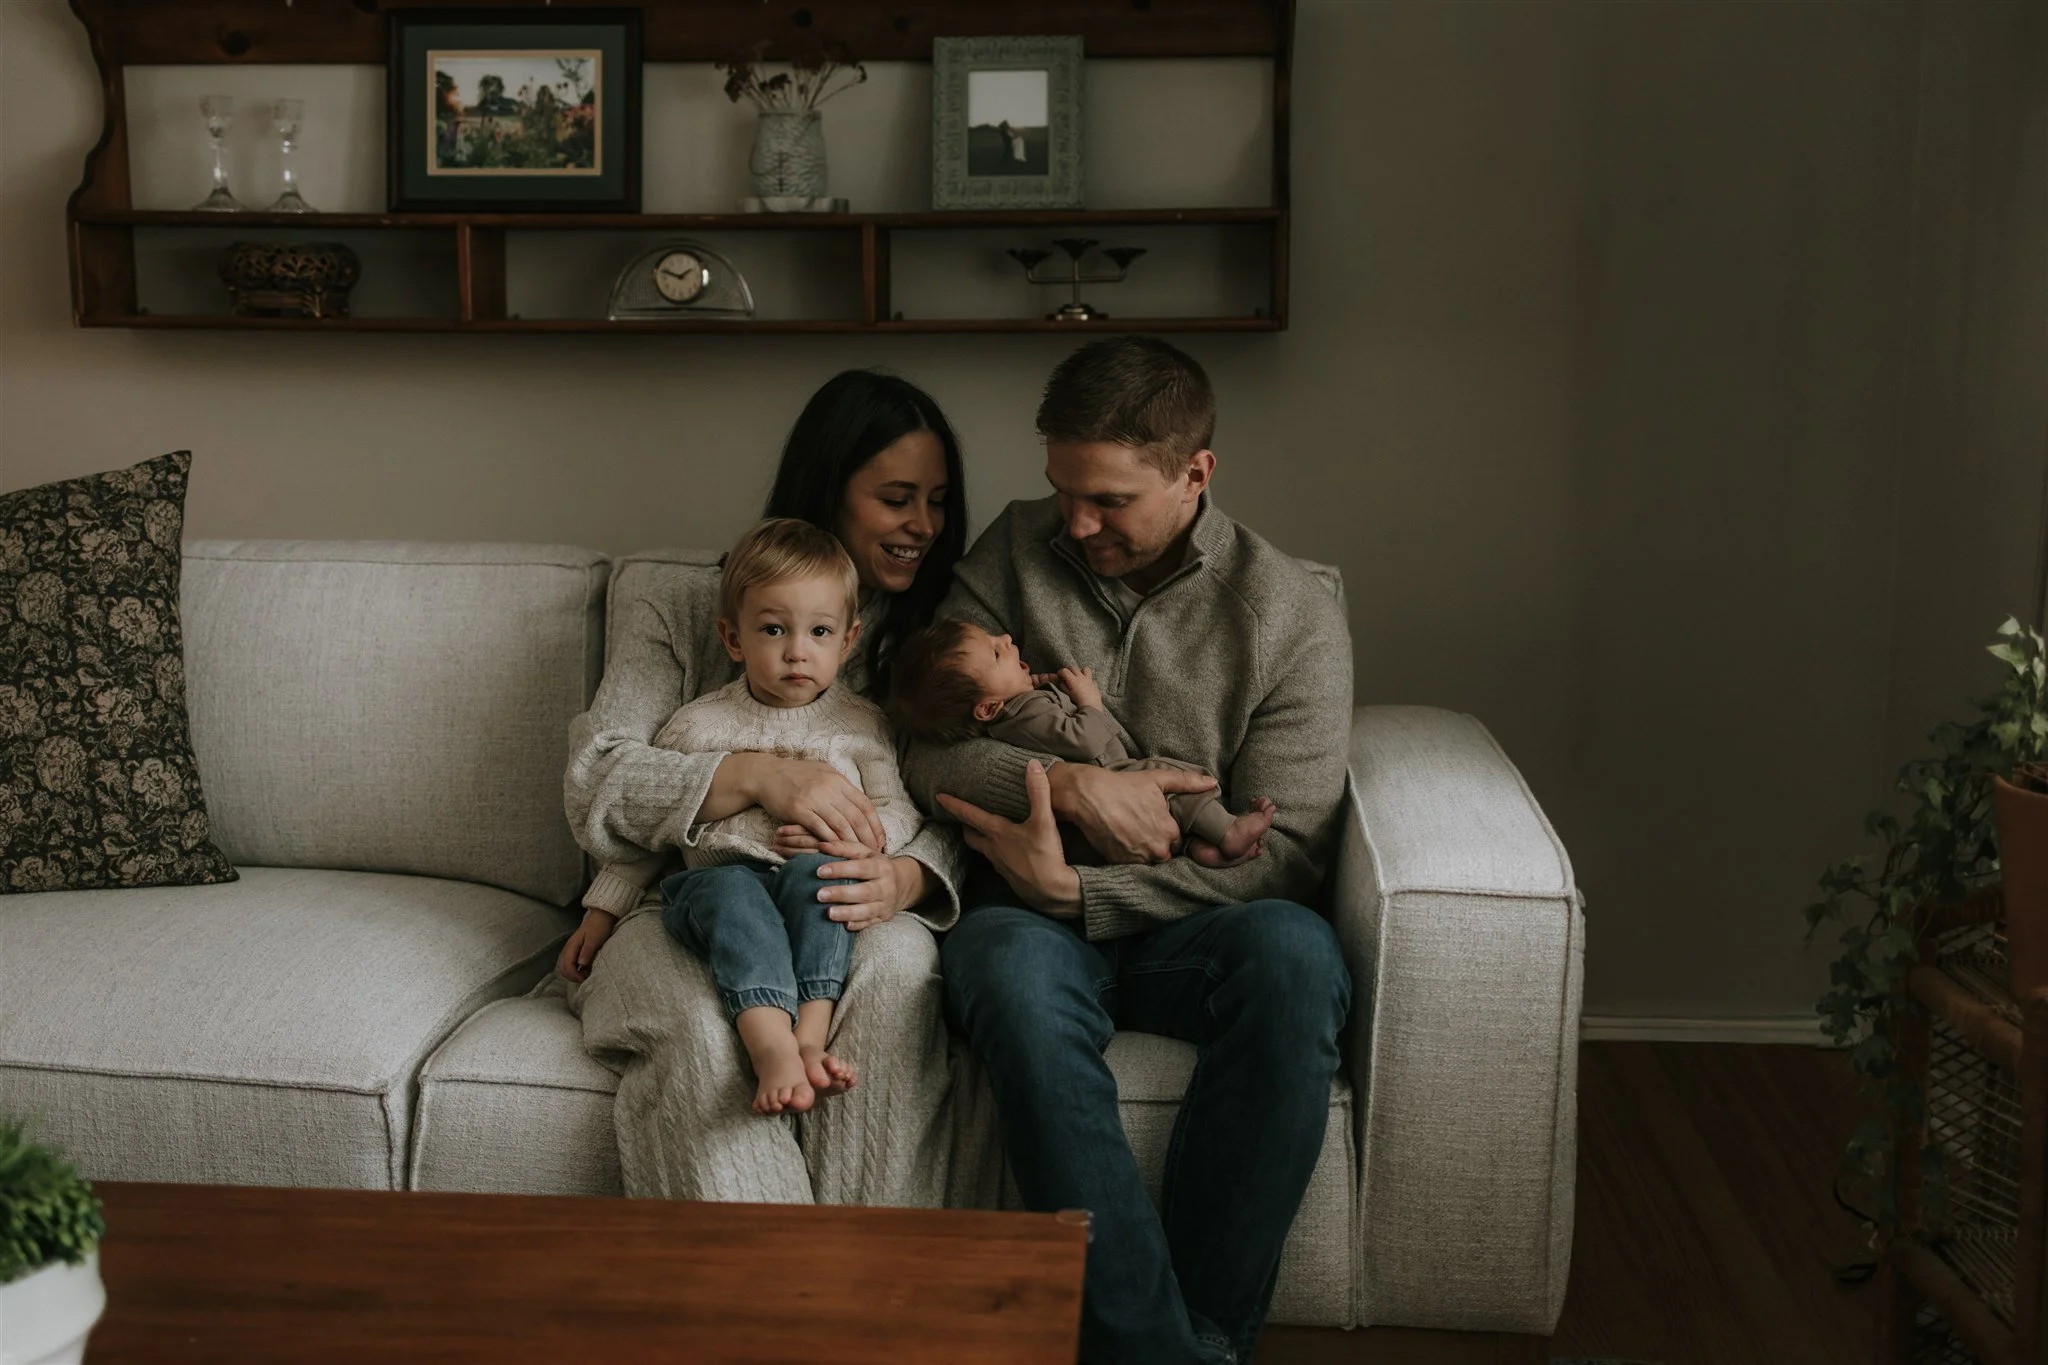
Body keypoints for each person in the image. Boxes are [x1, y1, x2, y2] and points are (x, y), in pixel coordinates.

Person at [903, 337, 1354, 1365]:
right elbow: (919, 742)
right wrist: (1069, 787)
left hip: (1190, 928)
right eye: (1062, 488)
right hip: (1018, 920)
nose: (1075, 522)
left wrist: (1090, 897)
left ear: (1194, 473)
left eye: (1108, 499)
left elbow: (1282, 851)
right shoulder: (1009, 553)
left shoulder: (1290, 616)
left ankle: (1181, 1345)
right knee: (1010, 979)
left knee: (1296, 955)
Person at [559, 369, 969, 1206]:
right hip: (686, 895)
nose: (922, 525)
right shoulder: (677, 606)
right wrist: (754, 775)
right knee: (705, 1035)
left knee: (895, 978)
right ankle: (762, 1306)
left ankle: (872, 1289)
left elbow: (954, 797)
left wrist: (910, 874)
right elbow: (596, 775)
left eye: (936, 499)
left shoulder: (935, 637)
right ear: (830, 489)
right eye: (897, 498)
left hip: (846, 895)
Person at [559, 519, 923, 1116]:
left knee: (822, 881)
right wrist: (601, 914)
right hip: (716, 882)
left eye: (820, 632)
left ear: (849, 641)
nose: (797, 651)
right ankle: (769, 1043)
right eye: (773, 629)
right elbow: (652, 837)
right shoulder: (699, 726)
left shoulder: (862, 726)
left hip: (808, 873)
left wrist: (869, 846)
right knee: (734, 895)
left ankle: (809, 1036)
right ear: (733, 638)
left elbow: (897, 807)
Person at [886, 620, 1276, 862]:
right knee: (1173, 780)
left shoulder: (1015, 712)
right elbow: (1083, 740)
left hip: (1099, 815)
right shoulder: (1024, 714)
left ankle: (1198, 850)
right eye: (995, 652)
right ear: (987, 710)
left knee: (1171, 805)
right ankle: (1227, 830)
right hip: (1113, 774)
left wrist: (1035, 685)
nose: (1006, 637)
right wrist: (1089, 701)